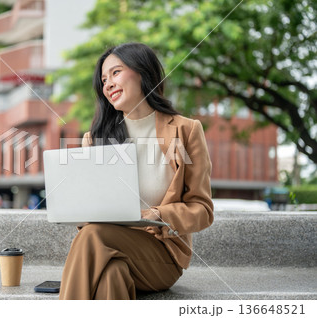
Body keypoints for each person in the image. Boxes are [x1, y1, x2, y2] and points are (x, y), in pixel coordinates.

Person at [59, 43, 214, 300]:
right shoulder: (94, 139)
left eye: (116, 73)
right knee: (112, 276)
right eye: (103, 80)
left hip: (161, 254)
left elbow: (203, 209)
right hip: (107, 247)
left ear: (142, 72)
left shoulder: (186, 130)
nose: (107, 84)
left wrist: (160, 214)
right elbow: (86, 215)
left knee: (92, 235)